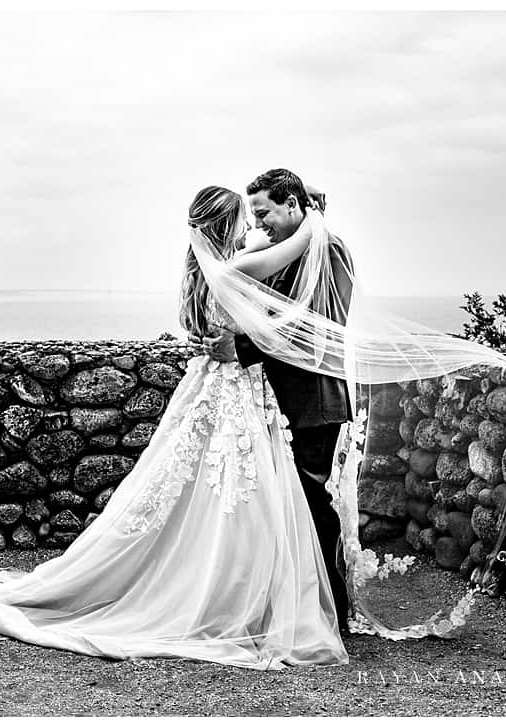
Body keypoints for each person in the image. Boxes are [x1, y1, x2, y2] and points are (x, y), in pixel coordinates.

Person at [0, 185, 350, 671]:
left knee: (213, 497)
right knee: (239, 499)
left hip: (217, 392)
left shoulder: (201, 274)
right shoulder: (237, 268)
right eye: (243, 218)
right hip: (235, 398)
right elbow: (295, 247)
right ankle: (241, 596)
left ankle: (235, 589)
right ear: (225, 225)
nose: (251, 226)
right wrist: (315, 216)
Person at [190, 168, 353, 628]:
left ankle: (331, 612)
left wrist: (239, 349)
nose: (260, 224)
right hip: (278, 396)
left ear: (293, 205)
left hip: (314, 397)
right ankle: (296, 603)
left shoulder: (331, 251)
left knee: (313, 502)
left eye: (265, 213)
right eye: (253, 215)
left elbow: (316, 330)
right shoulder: (281, 248)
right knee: (287, 504)